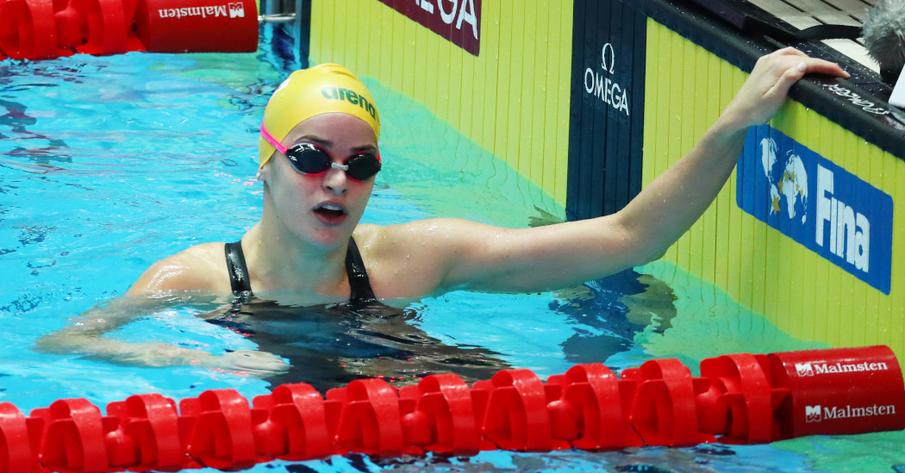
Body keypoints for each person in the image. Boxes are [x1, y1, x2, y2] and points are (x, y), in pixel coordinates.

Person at [36, 48, 849, 382]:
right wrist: (204, 364)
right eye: (311, 157)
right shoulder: (195, 278)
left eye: (360, 164)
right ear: (266, 163)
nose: (336, 181)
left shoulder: (413, 259)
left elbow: (627, 236)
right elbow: (66, 343)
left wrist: (732, 124)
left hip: (444, 401)